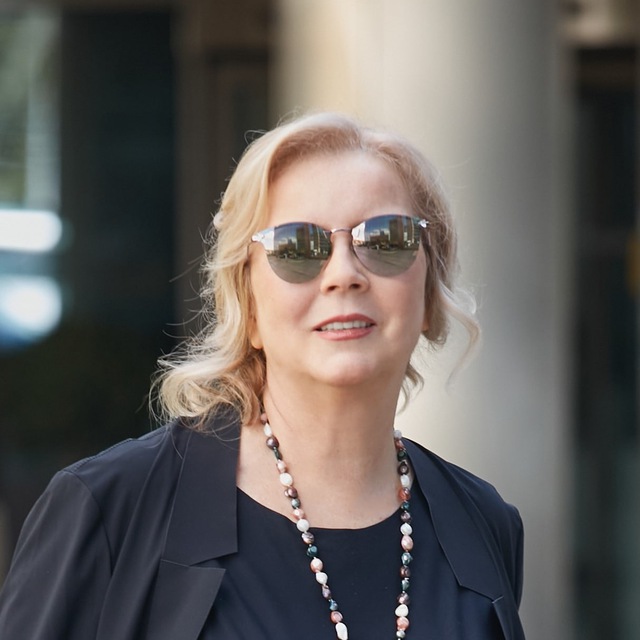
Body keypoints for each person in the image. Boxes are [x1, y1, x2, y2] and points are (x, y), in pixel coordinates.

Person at [0, 112, 525, 639]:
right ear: (247, 305)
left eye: (386, 239)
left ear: (429, 293)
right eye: (296, 247)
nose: (344, 274)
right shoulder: (110, 511)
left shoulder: (483, 524)